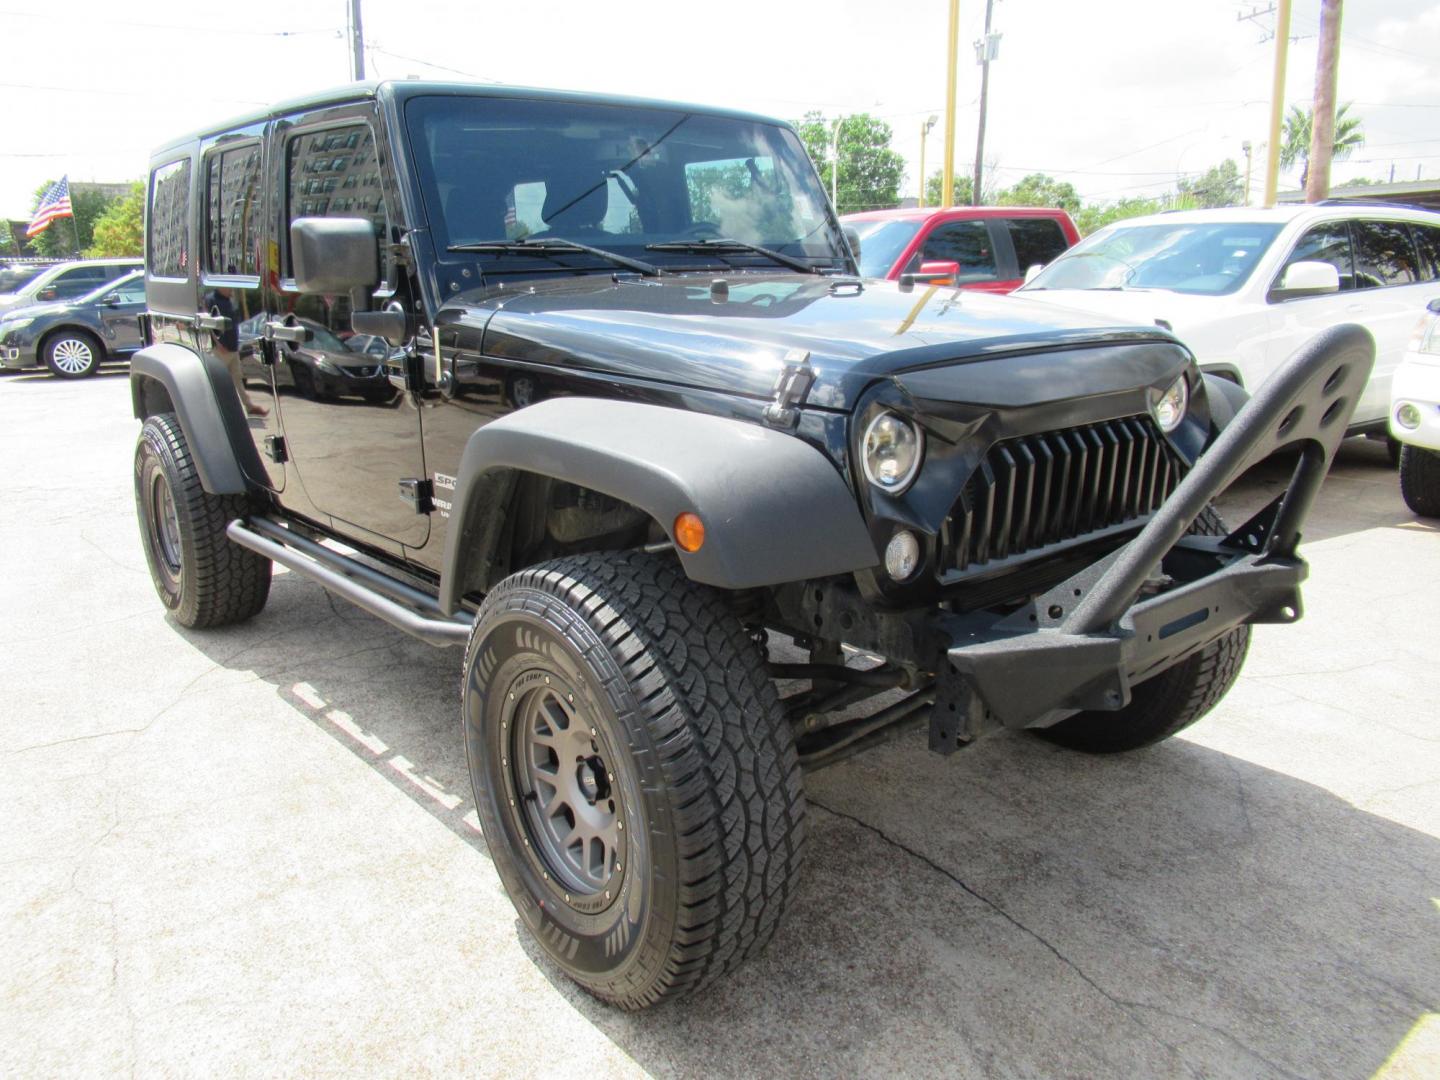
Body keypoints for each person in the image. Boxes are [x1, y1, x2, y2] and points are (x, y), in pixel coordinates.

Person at [205, 287, 267, 417]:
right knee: (217, 381)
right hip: (221, 349)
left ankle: (249, 407)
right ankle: (213, 410)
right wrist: (218, 343)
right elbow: (209, 323)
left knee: (238, 378)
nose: (231, 289)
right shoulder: (212, 300)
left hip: (233, 348)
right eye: (228, 287)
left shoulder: (229, 300)